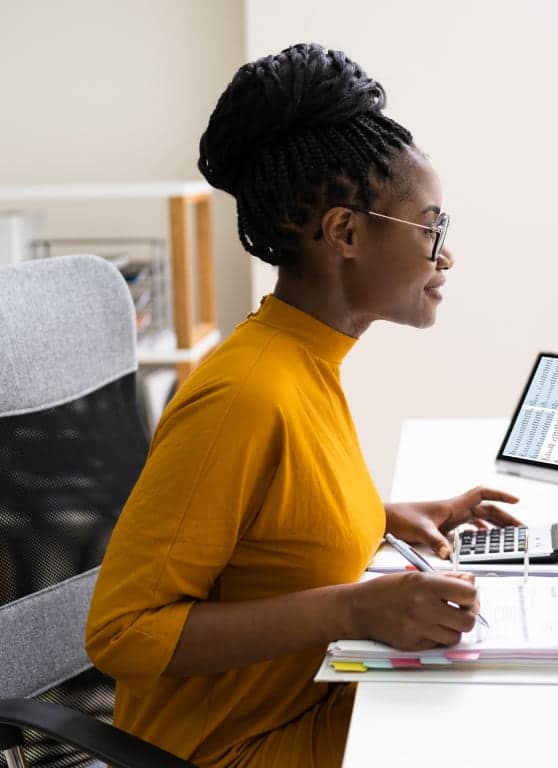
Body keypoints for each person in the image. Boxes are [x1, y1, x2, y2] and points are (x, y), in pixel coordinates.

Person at [85, 42, 520, 768]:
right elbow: (121, 633)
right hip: (233, 750)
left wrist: (382, 515)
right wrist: (351, 608)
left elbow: (269, 527)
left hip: (312, 705)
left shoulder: (306, 359)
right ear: (345, 233)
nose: (446, 257)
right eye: (431, 228)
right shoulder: (246, 394)